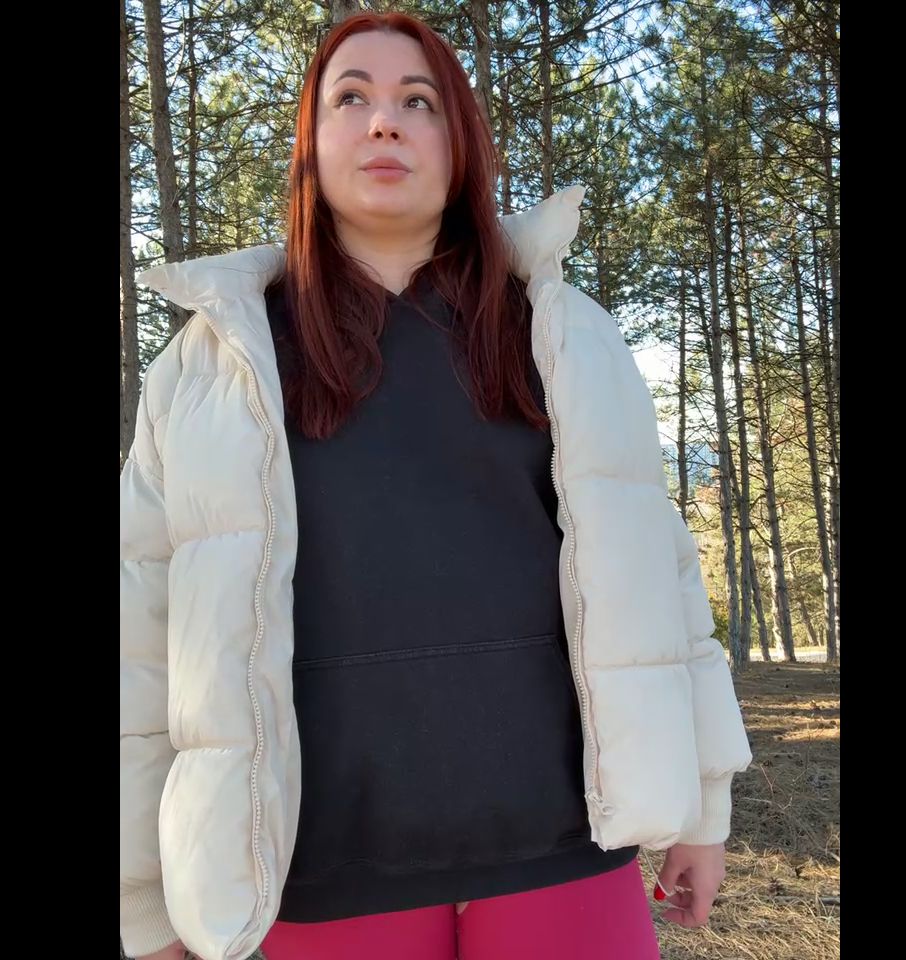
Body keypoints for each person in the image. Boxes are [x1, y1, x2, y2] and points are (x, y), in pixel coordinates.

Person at [120, 10, 752, 960]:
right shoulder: (216, 363)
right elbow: (142, 636)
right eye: (352, 97)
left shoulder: (566, 333)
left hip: (563, 845)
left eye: (418, 101)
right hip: (316, 868)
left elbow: (661, 579)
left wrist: (702, 803)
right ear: (311, 143)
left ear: (460, 143)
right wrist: (142, 898)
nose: (385, 120)